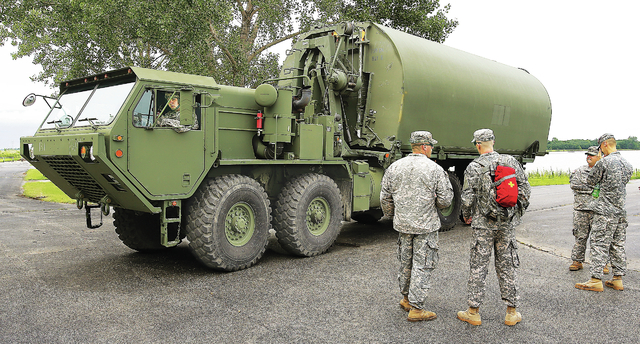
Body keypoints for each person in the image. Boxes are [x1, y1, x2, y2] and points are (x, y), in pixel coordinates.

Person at [457, 129, 531, 326]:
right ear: (493, 141)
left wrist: (467, 216)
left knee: (478, 266)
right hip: (506, 225)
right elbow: (524, 191)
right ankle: (511, 312)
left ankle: (473, 312)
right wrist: (514, 214)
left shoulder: (474, 166)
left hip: (483, 225)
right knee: (507, 266)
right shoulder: (511, 162)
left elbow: (467, 197)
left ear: (477, 145)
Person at [380, 131, 453, 322]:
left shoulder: (395, 167)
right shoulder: (434, 169)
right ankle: (417, 308)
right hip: (425, 227)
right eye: (431, 146)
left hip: (403, 225)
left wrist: (394, 215)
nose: (432, 149)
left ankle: (405, 299)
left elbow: (385, 198)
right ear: (425, 147)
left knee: (405, 263)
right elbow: (445, 201)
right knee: (423, 264)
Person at [575, 134, 633, 292]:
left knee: (599, 244)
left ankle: (595, 279)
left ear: (605, 144)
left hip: (604, 211)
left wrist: (600, 160)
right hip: (620, 211)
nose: (600, 150)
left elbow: (590, 181)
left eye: (600, 147)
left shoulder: (604, 162)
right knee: (617, 245)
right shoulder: (627, 164)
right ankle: (617, 279)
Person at [568, 146, 601, 271]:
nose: (589, 157)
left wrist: (587, 187)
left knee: (599, 239)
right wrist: (594, 189)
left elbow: (607, 188)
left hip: (598, 210)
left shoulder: (604, 171)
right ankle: (577, 261)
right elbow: (575, 185)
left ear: (599, 157)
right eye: (588, 155)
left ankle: (601, 264)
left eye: (592, 155)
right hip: (581, 209)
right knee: (579, 236)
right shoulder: (580, 171)